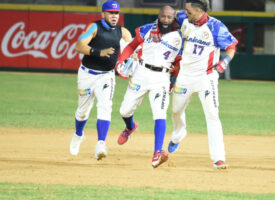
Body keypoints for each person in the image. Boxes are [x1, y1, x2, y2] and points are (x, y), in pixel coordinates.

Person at [167, 0, 238, 169]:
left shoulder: (216, 27)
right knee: (176, 110)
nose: (186, 13)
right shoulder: (184, 17)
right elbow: (169, 16)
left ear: (199, 11)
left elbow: (231, 46)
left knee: (212, 114)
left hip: (206, 77)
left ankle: (218, 157)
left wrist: (225, 61)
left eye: (189, 11)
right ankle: (178, 134)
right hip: (184, 76)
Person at [116, 5, 183, 168]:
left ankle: (157, 153)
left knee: (160, 114)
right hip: (141, 73)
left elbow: (178, 63)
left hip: (162, 77)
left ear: (174, 18)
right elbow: (131, 46)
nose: (166, 20)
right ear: (158, 16)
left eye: (169, 17)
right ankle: (130, 127)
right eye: (163, 16)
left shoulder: (180, 36)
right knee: (124, 111)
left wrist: (173, 82)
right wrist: (121, 61)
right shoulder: (146, 29)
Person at [69, 0, 132, 160]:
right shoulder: (94, 27)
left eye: (116, 13)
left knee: (105, 107)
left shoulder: (123, 32)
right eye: (111, 12)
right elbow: (79, 45)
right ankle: (78, 135)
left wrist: (134, 56)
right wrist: (99, 52)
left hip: (106, 76)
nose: (114, 16)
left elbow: (132, 48)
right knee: (83, 111)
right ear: (103, 14)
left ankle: (101, 143)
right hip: (87, 74)